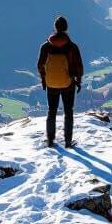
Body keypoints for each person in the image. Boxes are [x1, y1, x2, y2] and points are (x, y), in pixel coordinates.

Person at [37, 15, 84, 148]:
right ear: (66, 28)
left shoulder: (45, 46)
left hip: (51, 83)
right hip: (68, 84)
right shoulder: (72, 47)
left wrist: (44, 78)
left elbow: (40, 65)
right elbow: (79, 66)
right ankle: (68, 142)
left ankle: (50, 141)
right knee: (68, 111)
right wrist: (78, 80)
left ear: (55, 28)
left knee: (51, 111)